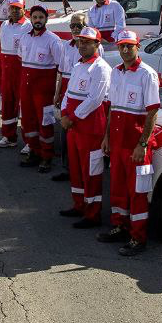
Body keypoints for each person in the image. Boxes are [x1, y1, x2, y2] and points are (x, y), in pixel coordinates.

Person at [99, 30, 160, 256]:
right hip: (117, 143)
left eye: (129, 46)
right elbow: (113, 109)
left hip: (136, 148)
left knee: (137, 193)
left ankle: (138, 237)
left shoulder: (147, 74)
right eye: (122, 46)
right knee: (118, 189)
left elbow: (152, 112)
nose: (125, 50)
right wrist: (106, 137)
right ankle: (120, 226)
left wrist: (142, 144)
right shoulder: (116, 72)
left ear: (138, 46)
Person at [58, 25, 111, 228]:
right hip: (74, 127)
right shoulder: (78, 65)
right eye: (81, 41)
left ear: (97, 44)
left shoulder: (101, 68)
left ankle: (93, 213)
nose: (83, 45)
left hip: (90, 128)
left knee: (92, 171)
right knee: (77, 168)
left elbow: (95, 99)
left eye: (87, 42)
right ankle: (79, 204)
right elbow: (68, 94)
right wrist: (64, 113)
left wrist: (72, 117)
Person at [17, 5, 63, 171]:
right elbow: (21, 58)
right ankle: (34, 152)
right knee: (29, 122)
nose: (38, 20)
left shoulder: (53, 40)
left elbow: (60, 67)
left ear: (46, 19)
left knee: (45, 122)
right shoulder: (25, 38)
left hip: (44, 92)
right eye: (35, 17)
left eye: (41, 18)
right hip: (27, 88)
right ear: (31, 19)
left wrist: (57, 93)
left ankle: (47, 156)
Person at [50, 12, 87, 182]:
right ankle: (67, 168)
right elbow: (61, 72)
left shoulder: (94, 47)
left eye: (78, 25)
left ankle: (82, 169)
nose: (74, 29)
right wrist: (57, 94)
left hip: (83, 94)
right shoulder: (66, 46)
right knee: (65, 132)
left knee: (82, 133)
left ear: (85, 27)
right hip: (67, 91)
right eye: (72, 25)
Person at [0, 0, 32, 148]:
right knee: (8, 104)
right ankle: (9, 137)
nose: (15, 11)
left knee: (24, 107)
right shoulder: (4, 25)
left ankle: (29, 142)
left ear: (24, 9)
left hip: (21, 71)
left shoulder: (28, 26)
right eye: (12, 8)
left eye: (18, 8)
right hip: (7, 72)